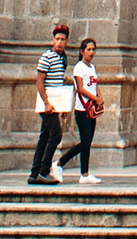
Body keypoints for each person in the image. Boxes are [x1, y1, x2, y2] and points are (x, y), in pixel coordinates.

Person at [27, 22, 73, 185]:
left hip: (56, 103)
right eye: (57, 39)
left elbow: (59, 83)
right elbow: (40, 81)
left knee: (44, 137)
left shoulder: (62, 58)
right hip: (47, 104)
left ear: (66, 42)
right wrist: (46, 102)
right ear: (53, 40)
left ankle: (35, 174)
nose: (59, 42)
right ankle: (44, 171)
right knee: (56, 135)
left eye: (62, 39)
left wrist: (63, 106)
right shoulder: (47, 56)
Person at [57, 36, 105, 184]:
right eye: (88, 49)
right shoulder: (79, 67)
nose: (91, 52)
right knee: (85, 142)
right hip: (82, 109)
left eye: (93, 49)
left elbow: (94, 85)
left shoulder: (92, 68)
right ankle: (59, 163)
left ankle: (84, 174)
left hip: (91, 109)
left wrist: (99, 97)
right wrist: (95, 98)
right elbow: (80, 88)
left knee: (87, 142)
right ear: (82, 51)